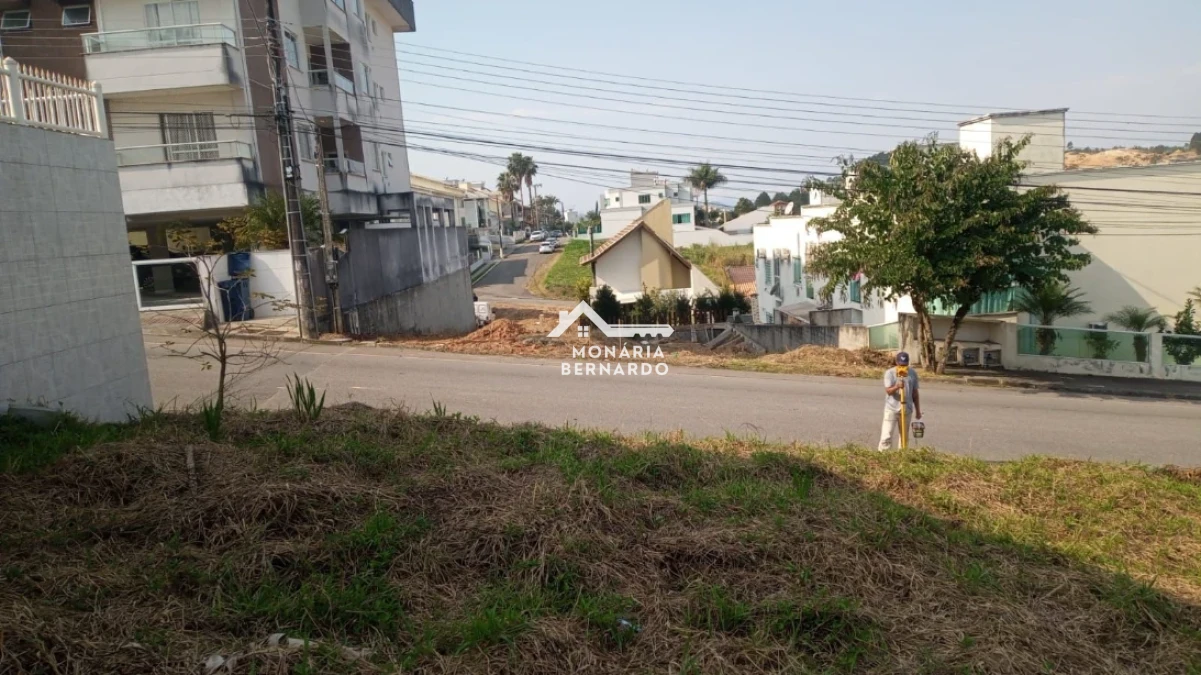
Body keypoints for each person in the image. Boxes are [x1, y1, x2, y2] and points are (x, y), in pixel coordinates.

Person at [879, 351, 921, 451]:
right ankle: (883, 455)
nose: (903, 366)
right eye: (901, 364)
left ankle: (902, 456)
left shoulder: (912, 373)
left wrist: (918, 411)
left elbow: (915, 393)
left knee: (904, 438)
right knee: (886, 436)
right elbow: (888, 391)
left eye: (905, 364)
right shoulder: (890, 373)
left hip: (907, 410)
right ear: (896, 362)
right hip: (891, 409)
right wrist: (897, 386)